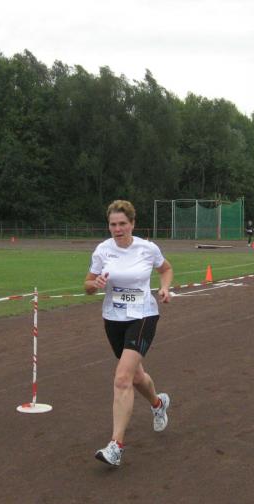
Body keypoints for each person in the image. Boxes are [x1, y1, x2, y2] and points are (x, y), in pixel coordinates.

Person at [84, 200, 174, 467]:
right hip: (113, 319)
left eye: (122, 223)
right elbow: (87, 285)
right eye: (113, 224)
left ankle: (116, 446)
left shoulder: (147, 248)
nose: (117, 229)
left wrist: (165, 287)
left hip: (143, 315)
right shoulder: (103, 250)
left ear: (133, 224)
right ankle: (158, 404)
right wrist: (95, 283)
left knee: (122, 378)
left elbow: (166, 269)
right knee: (135, 377)